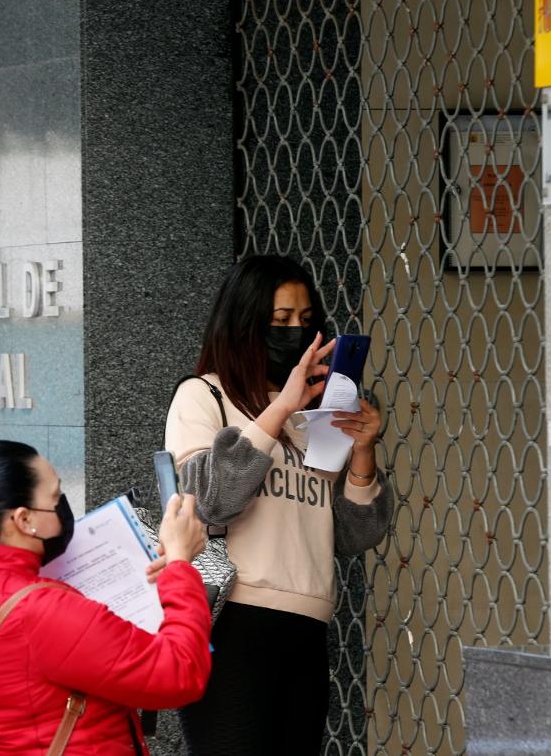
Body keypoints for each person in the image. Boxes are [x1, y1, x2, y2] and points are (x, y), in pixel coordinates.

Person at [165, 255, 394, 755]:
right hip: (233, 624)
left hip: (307, 623)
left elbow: (353, 537)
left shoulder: (320, 412)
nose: (296, 333)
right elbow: (211, 501)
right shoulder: (204, 396)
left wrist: (362, 452)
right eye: (281, 321)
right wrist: (280, 409)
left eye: (307, 321)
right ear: (245, 323)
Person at [0, 426, 212, 756]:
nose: (63, 509)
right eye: (55, 500)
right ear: (24, 520)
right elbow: (179, 673)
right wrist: (181, 564)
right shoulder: (41, 610)